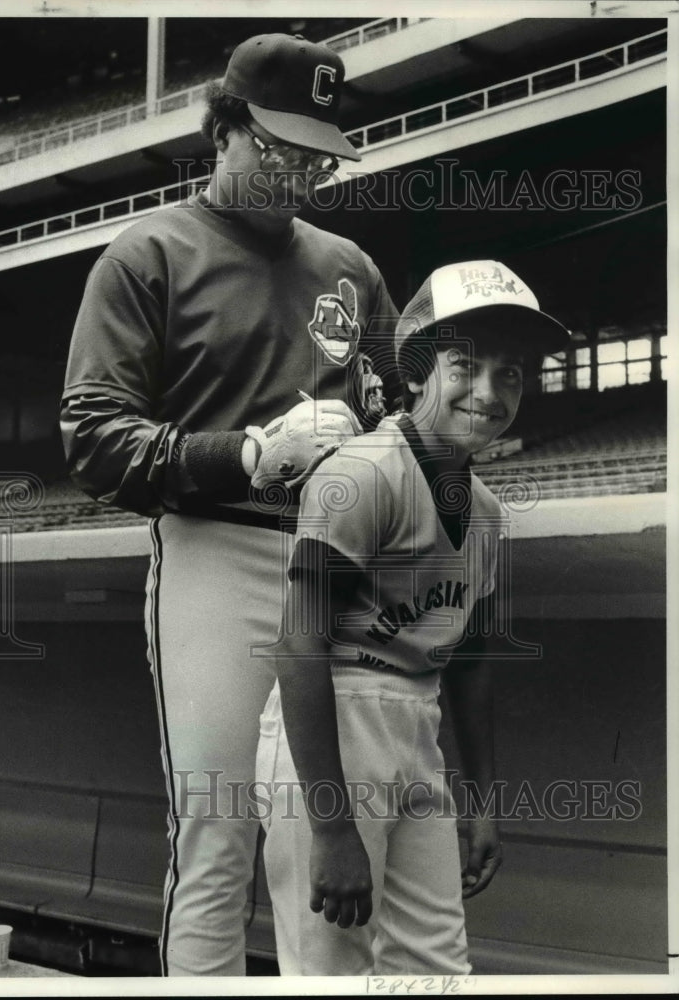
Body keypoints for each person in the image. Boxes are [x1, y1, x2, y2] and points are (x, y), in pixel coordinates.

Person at [60, 32, 398, 976]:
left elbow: (400, 414)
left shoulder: (351, 265)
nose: (303, 173)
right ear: (227, 127)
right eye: (283, 147)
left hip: (336, 561)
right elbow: (91, 437)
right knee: (218, 829)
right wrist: (250, 451)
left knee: (328, 828)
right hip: (216, 546)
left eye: (319, 155)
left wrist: (382, 431)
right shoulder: (148, 253)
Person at [256, 260, 570, 974]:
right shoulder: (360, 474)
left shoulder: (486, 514)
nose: (489, 393)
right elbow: (298, 646)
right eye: (464, 365)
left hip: (416, 726)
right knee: (331, 968)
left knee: (436, 968)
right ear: (419, 368)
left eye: (510, 372)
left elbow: (471, 661)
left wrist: (481, 803)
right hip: (334, 719)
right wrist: (331, 824)